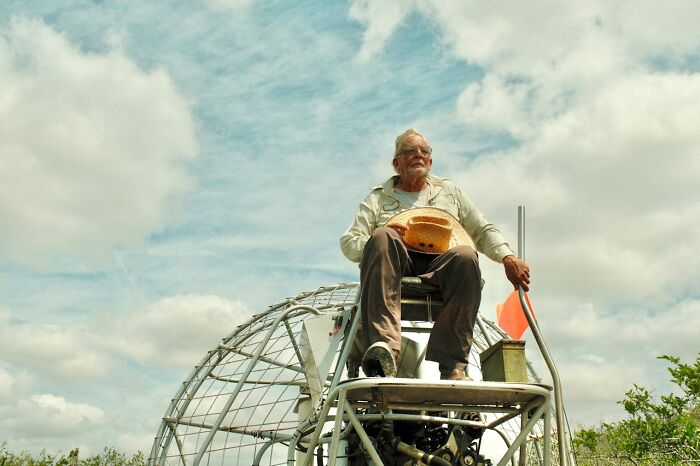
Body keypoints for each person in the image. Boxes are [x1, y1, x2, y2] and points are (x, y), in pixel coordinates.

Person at [340, 128, 530, 380]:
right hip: (396, 264)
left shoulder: (449, 192)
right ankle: (384, 349)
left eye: (424, 151)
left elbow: (482, 229)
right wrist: (382, 233)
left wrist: (508, 257)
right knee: (382, 236)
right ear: (396, 163)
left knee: (465, 255)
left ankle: (453, 366)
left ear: (430, 161)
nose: (418, 154)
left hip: (441, 266)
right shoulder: (377, 199)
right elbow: (349, 243)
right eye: (409, 151)